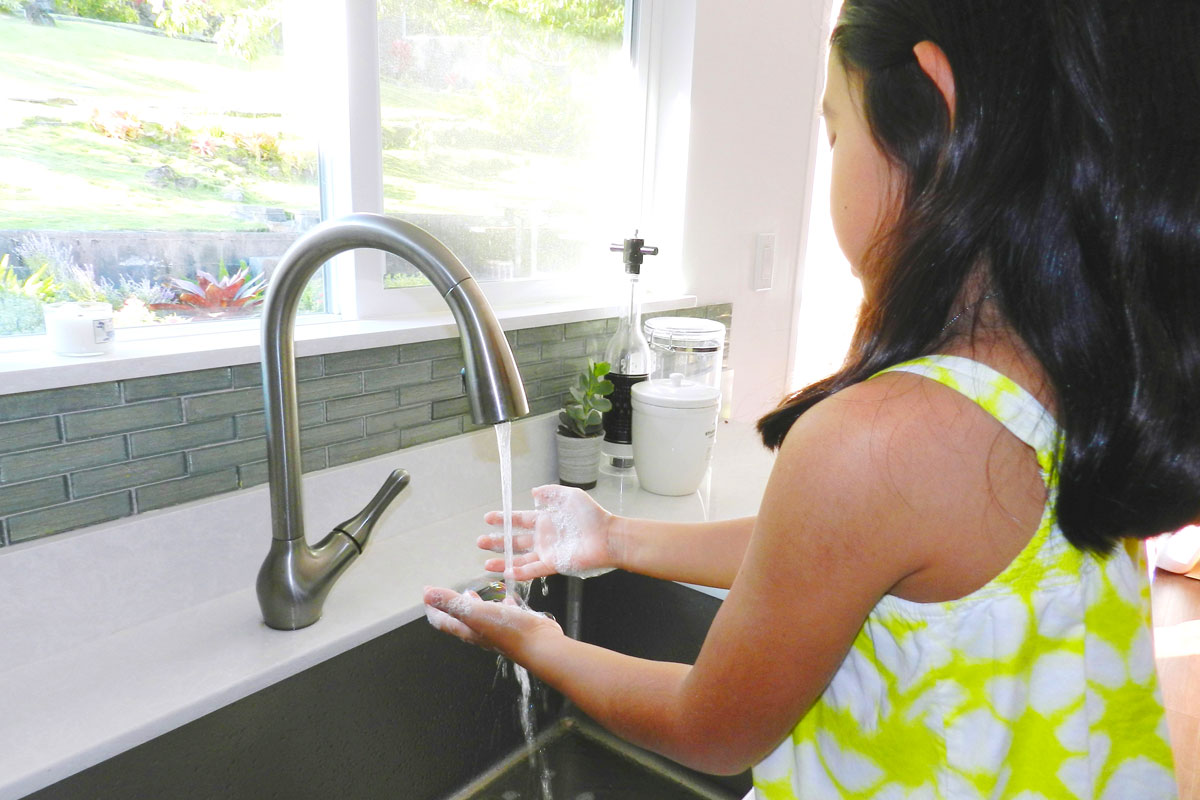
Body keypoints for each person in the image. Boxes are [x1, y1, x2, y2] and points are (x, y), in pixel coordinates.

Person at [424, 0, 1200, 796]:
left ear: (935, 112)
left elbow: (711, 728)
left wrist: (536, 641)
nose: (829, 153)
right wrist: (619, 537)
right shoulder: (1083, 377)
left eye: (834, 127)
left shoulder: (874, 443)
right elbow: (823, 557)